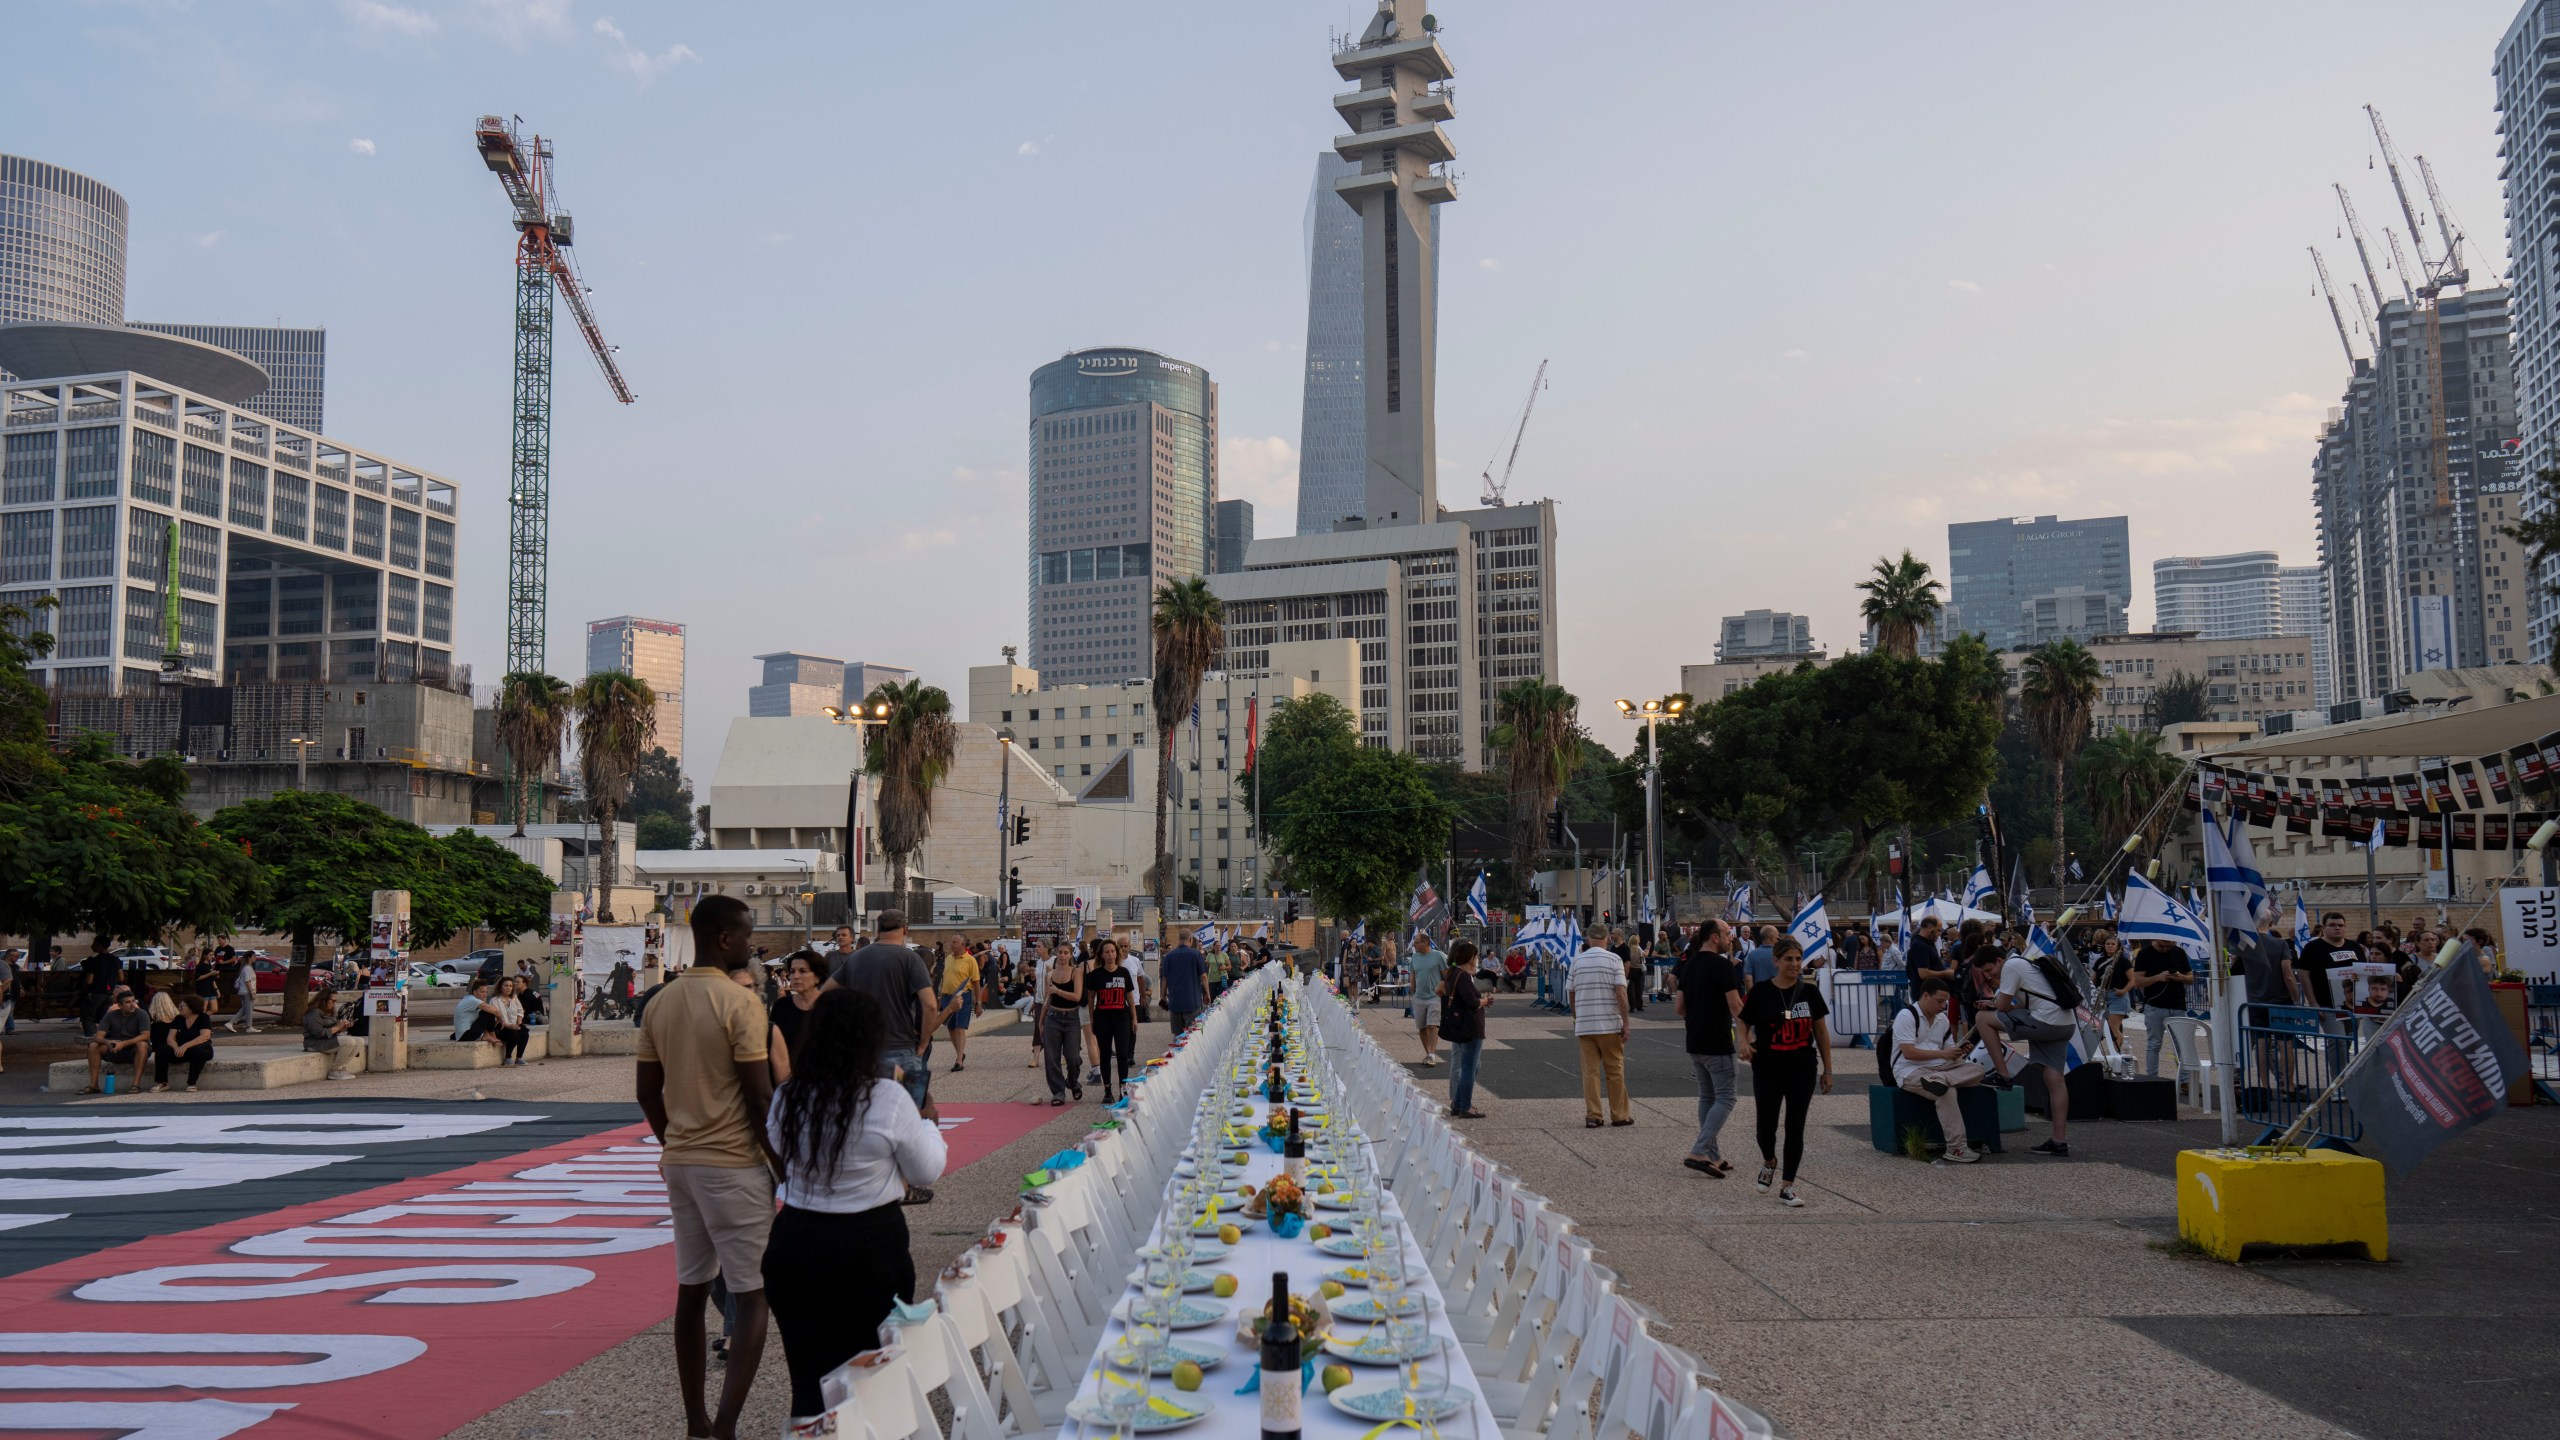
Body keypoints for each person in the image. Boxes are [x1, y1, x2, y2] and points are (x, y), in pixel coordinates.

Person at [761, 986, 948, 1429]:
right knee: (872, 1374)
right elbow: (924, 1171)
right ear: (872, 1038)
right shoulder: (885, 1097)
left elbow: (776, 1147)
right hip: (868, 1246)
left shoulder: (789, 1095)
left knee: (808, 1379)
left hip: (797, 1241)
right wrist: (931, 1127)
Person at [637, 896, 774, 1440]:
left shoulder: (661, 1002)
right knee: (752, 1296)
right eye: (745, 935)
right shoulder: (740, 1004)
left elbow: (648, 1092)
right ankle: (725, 1429)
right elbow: (760, 1099)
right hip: (736, 1165)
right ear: (724, 939)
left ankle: (696, 1423)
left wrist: (674, 1140)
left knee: (691, 1294)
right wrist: (786, 1169)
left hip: (682, 1163)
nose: (749, 945)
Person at [1736, 937, 1831, 1205]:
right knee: (1765, 1128)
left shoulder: (1809, 992)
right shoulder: (1762, 992)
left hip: (1802, 1068)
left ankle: (1788, 1185)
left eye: (1798, 959)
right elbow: (1743, 1021)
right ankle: (1769, 1160)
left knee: (1795, 1126)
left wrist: (1828, 1070)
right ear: (1776, 961)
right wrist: (1743, 1042)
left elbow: (1821, 1033)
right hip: (1767, 1067)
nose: (1795, 964)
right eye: (1789, 959)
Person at [829, 911, 939, 1113]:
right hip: (901, 1048)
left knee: (865, 1111)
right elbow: (930, 1005)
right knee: (913, 1112)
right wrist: (923, 1042)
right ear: (905, 929)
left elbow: (824, 994)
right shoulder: (910, 959)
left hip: (862, 1050)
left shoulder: (856, 958)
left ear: (877, 930)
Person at [1991, 940, 2086, 1159]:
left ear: (1998, 960)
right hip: (2065, 1022)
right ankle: (2059, 1141)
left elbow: (2002, 1007)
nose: (1989, 975)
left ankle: (2003, 1074)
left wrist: (1995, 1000)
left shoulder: (2010, 966)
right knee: (2055, 1078)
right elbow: (2025, 1004)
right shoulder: (2028, 965)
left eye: (1989, 970)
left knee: (1983, 1019)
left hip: (2045, 1022)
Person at [1675, 919, 1745, 1176]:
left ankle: (1713, 1155)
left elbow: (1679, 1007)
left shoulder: (1689, 964)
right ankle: (1699, 1150)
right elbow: (1736, 1006)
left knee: (1707, 1097)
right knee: (1726, 1097)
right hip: (1717, 1040)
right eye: (1727, 933)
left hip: (1695, 1040)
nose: (1731, 938)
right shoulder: (1723, 966)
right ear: (1715, 937)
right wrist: (1750, 1036)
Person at [1889, 978, 1984, 1163]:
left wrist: (1957, 1052)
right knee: (1947, 1091)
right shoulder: (1906, 1016)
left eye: (1945, 1002)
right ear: (1925, 996)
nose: (1943, 1006)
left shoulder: (1942, 1020)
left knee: (1978, 1069)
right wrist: (1944, 1053)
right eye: (1939, 1001)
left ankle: (1940, 1078)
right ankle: (1956, 1148)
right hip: (1909, 1071)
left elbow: (1949, 1053)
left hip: (1939, 1069)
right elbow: (1908, 1053)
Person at [1567, 939, 1633, 1128]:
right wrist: (1626, 1022)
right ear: (1606, 939)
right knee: (1615, 1070)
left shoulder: (1577, 961)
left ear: (1589, 940)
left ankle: (1594, 1115)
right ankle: (1619, 1115)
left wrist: (1576, 1018)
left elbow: (1571, 994)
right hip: (1610, 1024)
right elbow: (1620, 992)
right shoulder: (1614, 959)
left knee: (1590, 1072)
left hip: (1586, 1025)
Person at [2129, 938, 2195, 1083]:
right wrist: (2158, 977)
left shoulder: (2179, 952)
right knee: (2154, 1044)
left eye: (2170, 945)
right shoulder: (2144, 954)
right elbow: (2138, 981)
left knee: (2181, 1045)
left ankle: (2184, 1080)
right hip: (2155, 1005)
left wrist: (2180, 977)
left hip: (2178, 1005)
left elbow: (2190, 978)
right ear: (2156, 940)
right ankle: (2152, 1078)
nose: (2165, 948)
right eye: (2162, 946)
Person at [1439, 939, 1489, 1118]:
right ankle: (1464, 1106)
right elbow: (1472, 1002)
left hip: (1460, 1025)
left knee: (1471, 1066)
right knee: (1469, 1067)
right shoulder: (1464, 976)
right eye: (1475, 956)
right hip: (1471, 1026)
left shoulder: (1452, 972)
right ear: (1469, 958)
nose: (1477, 959)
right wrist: (1484, 1001)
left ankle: (1458, 1103)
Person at [1088, 937, 1139, 1101]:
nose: (1110, 955)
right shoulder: (1096, 975)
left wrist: (1134, 1018)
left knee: (1123, 1053)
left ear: (1116, 953)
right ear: (1101, 955)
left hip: (1122, 1017)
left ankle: (1123, 1089)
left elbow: (1130, 996)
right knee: (1105, 1055)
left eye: (1112, 951)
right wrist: (1091, 1019)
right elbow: (1090, 998)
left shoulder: (1123, 972)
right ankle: (1107, 1090)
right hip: (1102, 1017)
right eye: (1106, 952)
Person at [1037, 940, 1085, 1105]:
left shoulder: (1076, 972)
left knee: (1072, 1056)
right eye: (1060, 952)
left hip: (1072, 1018)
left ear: (1071, 955)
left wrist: (1058, 990)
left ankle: (1072, 1081)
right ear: (1056, 954)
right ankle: (1058, 1092)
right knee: (1051, 1057)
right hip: (1053, 1017)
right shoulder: (1049, 974)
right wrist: (1041, 1022)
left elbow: (1077, 997)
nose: (1062, 956)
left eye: (1066, 953)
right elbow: (1047, 1000)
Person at [768, 949, 826, 1084]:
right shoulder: (781, 1006)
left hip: (822, 1082)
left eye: (803, 971)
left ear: (817, 976)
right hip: (786, 1081)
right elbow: (771, 1043)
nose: (795, 976)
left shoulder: (831, 1006)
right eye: (792, 971)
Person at [84, 988, 148, 1093]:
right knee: (93, 1046)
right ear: (119, 1005)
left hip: (133, 1048)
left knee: (142, 1045)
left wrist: (124, 1044)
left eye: (133, 1001)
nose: (132, 1004)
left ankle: (135, 1084)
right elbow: (98, 1036)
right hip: (115, 1047)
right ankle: (94, 1085)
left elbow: (145, 1036)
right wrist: (107, 1042)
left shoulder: (142, 1014)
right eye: (128, 1002)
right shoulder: (111, 1015)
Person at [934, 940, 982, 1072]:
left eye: (954, 942)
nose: (951, 944)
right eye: (952, 941)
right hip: (947, 997)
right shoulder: (948, 958)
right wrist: (941, 997)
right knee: (951, 1028)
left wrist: (978, 1003)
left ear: (963, 945)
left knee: (960, 1028)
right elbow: (945, 979)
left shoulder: (970, 960)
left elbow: (976, 983)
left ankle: (959, 1060)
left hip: (963, 996)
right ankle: (960, 1053)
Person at [155, 993, 217, 1091]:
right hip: (180, 1049)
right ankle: (162, 1082)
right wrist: (176, 1048)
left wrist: (185, 1046)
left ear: (192, 1007)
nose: (179, 1007)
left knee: (198, 1052)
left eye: (182, 1006)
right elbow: (170, 1038)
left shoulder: (203, 1017)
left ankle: (191, 1083)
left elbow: (205, 1036)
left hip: (198, 1047)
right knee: (162, 1050)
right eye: (179, 1005)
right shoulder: (178, 1019)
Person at [2296, 912, 2358, 1010]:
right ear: (2324, 928)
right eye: (2332, 925)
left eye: (2340, 925)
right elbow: (2303, 975)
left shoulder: (2354, 946)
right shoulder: (2312, 948)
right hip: (2325, 1006)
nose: (2337, 928)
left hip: (2353, 1005)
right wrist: (2313, 1003)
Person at [1408, 932, 1448, 1065]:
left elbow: (1446, 975)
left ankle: (1432, 1055)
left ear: (1425, 943)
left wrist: (1446, 992)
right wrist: (1412, 992)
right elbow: (1413, 975)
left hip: (1434, 996)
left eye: (1417, 942)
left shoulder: (1438, 956)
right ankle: (1428, 1053)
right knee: (1422, 1028)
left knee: (1432, 1025)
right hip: (1418, 997)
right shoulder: (1414, 957)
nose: (1414, 944)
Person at [1159, 934, 1207, 1037]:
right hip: (1192, 1002)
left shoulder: (1169, 956)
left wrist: (1163, 995)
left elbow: (1164, 978)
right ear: (1190, 940)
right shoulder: (1196, 954)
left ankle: (1177, 1053)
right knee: (1192, 1035)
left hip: (1175, 1002)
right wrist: (1207, 993)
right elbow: (1203, 976)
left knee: (1178, 1036)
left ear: (1179, 939)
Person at [303, 983, 355, 1078]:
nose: (334, 1003)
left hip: (326, 1040)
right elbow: (318, 1033)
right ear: (324, 1000)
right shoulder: (314, 1012)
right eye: (333, 1001)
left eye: (336, 1001)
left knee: (359, 1041)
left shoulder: (328, 1011)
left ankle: (342, 1068)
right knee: (349, 1042)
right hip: (314, 1043)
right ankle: (334, 1070)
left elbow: (333, 1028)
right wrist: (338, 1027)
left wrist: (344, 1026)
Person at [490, 976, 531, 1066]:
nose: (508, 988)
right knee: (513, 1034)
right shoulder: (494, 1000)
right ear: (500, 987)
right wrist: (509, 1026)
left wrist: (518, 1023)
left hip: (514, 1024)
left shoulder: (514, 998)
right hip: (501, 1027)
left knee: (524, 1032)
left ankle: (519, 1058)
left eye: (510, 986)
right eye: (506, 986)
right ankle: (508, 1057)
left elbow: (520, 1010)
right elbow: (495, 1017)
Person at [1906, 915, 1950, 984]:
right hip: (1926, 991)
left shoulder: (1928, 942)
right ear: (1929, 928)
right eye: (1938, 930)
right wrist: (1946, 973)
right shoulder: (1920, 945)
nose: (1940, 934)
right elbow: (1924, 974)